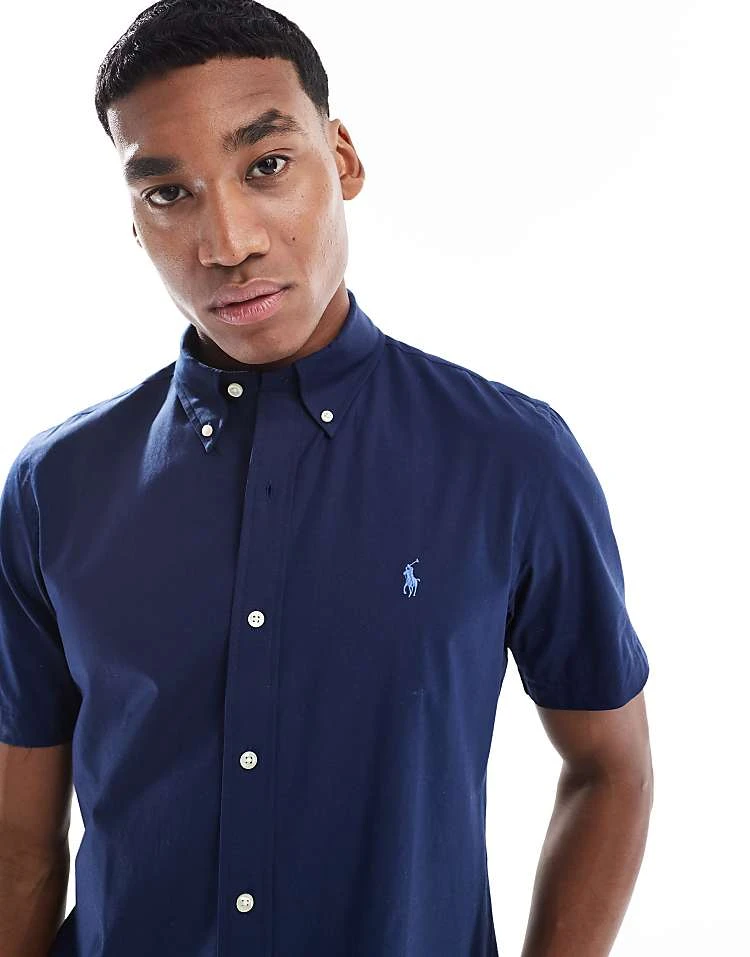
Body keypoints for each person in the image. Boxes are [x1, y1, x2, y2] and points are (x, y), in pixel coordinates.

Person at [0, 2, 653, 955]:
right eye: (169, 193)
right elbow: (19, 841)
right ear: (134, 221)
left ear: (341, 158)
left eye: (266, 165)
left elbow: (610, 769)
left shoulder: (512, 458)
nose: (228, 242)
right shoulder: (54, 488)